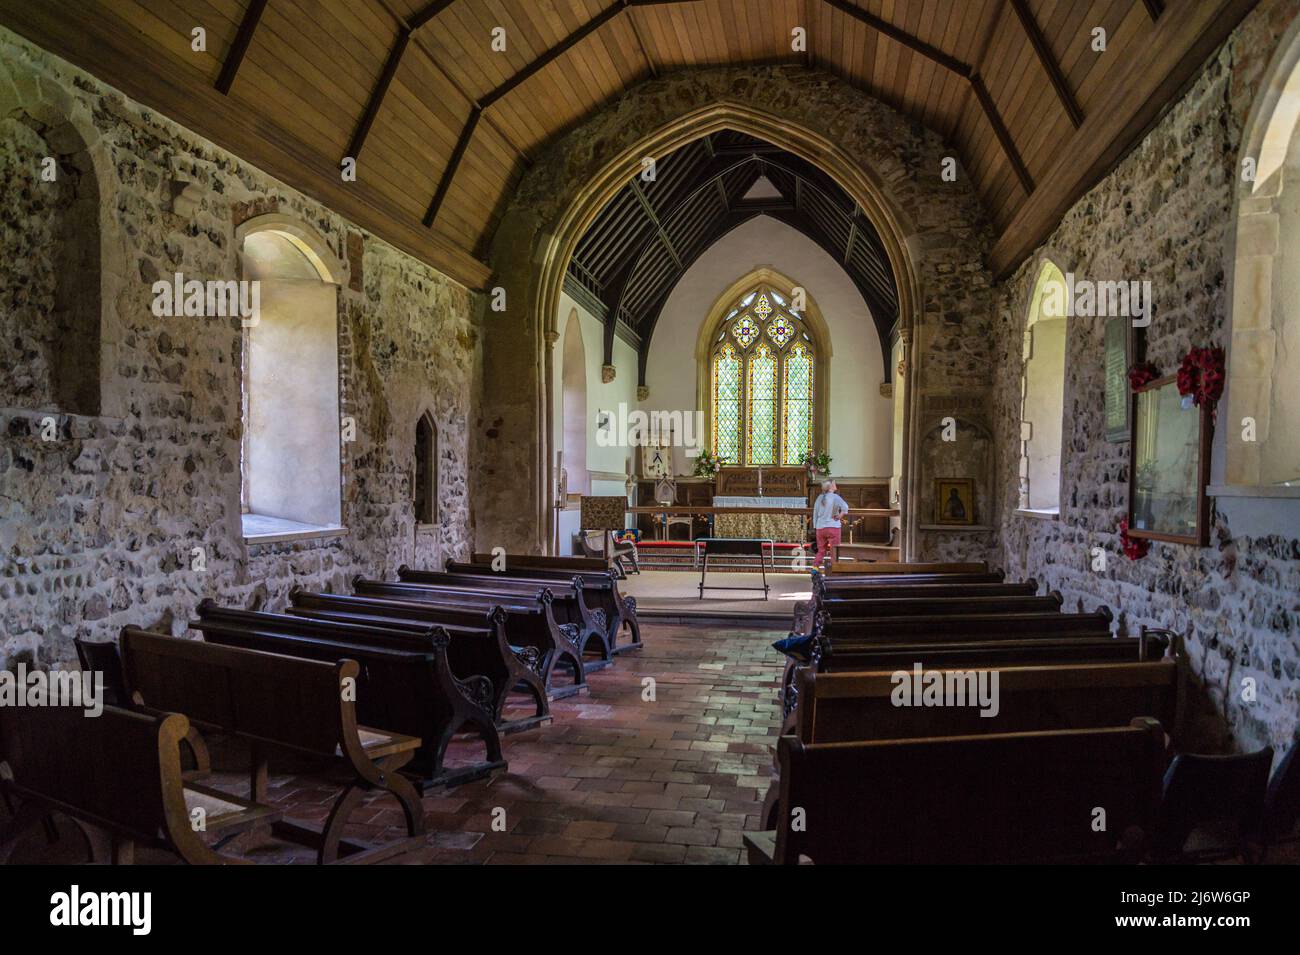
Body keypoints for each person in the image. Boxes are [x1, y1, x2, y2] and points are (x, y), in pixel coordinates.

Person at [811, 479, 849, 570]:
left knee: (821, 551)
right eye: (834, 483)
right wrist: (840, 516)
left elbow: (815, 513)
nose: (836, 484)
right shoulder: (835, 497)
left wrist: (815, 527)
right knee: (834, 552)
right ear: (831, 486)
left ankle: (815, 569)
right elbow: (845, 507)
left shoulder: (819, 498)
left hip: (820, 528)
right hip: (833, 527)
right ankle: (833, 571)